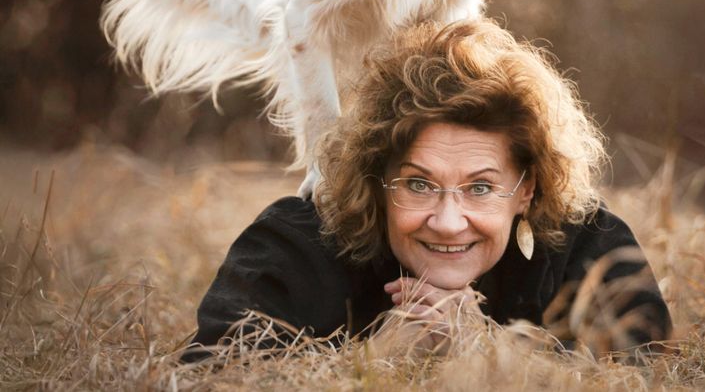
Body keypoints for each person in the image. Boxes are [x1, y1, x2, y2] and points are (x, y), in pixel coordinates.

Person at [183, 20, 671, 361]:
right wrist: (375, 358)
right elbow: (211, 374)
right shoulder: (295, 244)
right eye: (418, 184)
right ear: (375, 182)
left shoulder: (590, 250)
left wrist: (489, 350)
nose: (448, 221)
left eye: (480, 188)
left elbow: (653, 374)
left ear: (527, 190)